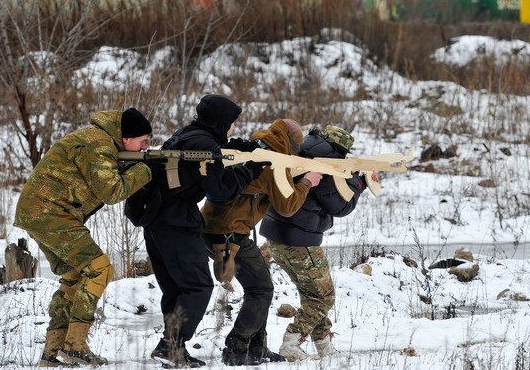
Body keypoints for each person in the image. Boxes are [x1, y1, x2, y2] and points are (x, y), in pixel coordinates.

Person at [13, 108, 154, 366]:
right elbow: (112, 191)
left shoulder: (99, 140)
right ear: (126, 139)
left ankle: (51, 353)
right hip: (49, 212)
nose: (146, 147)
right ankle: (75, 346)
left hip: (42, 212)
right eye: (143, 141)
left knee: (75, 277)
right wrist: (145, 170)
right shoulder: (98, 144)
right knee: (100, 269)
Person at [142, 94, 268, 368]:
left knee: (177, 288)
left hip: (158, 219)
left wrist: (238, 146)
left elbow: (210, 154)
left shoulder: (187, 135)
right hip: (176, 221)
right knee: (197, 286)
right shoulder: (202, 144)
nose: (234, 128)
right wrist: (252, 169)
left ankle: (172, 348)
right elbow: (221, 190)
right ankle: (170, 347)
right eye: (232, 123)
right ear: (221, 121)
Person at [200, 118, 323, 366]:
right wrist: (308, 181)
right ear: (289, 143)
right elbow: (287, 206)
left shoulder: (255, 150)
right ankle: (237, 348)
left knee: (260, 286)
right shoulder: (273, 163)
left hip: (214, 228)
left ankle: (257, 347)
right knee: (261, 289)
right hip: (228, 234)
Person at [260, 125, 376, 361]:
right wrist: (360, 182)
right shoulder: (326, 163)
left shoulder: (302, 152)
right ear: (341, 150)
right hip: (300, 240)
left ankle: (324, 345)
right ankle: (292, 341)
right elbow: (341, 205)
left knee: (311, 294)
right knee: (324, 296)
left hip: (277, 235)